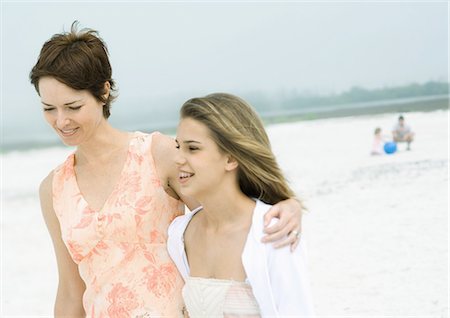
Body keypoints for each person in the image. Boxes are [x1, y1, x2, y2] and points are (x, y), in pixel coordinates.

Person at [30, 23, 304, 317]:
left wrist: (287, 204)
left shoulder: (158, 154)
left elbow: (230, 212)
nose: (61, 121)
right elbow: (71, 291)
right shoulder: (54, 189)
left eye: (73, 106)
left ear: (104, 91)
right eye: (49, 109)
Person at [167, 93, 315, 317]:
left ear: (230, 158)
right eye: (178, 146)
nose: (178, 158)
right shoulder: (180, 235)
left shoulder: (275, 232)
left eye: (193, 148)